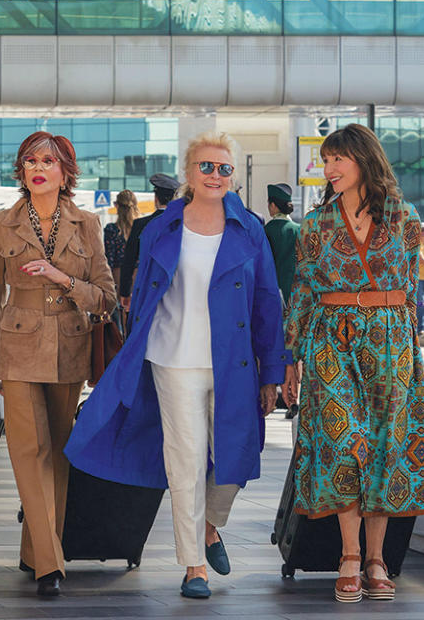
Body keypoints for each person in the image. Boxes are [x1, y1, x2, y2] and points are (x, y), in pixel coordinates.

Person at [65, 132, 290, 600]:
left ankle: (210, 525)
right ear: (189, 173)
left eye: (224, 168)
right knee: (184, 463)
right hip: (173, 359)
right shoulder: (162, 228)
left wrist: (274, 372)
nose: (215, 175)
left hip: (235, 362)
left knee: (237, 458)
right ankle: (193, 566)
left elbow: (269, 302)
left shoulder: (248, 229)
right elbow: (142, 295)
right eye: (206, 167)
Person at [282, 123, 424, 603]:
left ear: (362, 160)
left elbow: (411, 299)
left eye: (337, 160)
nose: (328, 169)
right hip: (332, 337)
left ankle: (376, 558)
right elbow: (303, 291)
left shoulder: (405, 221)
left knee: (384, 445)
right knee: (341, 442)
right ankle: (349, 554)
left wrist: (420, 365)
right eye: (326, 160)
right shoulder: (314, 226)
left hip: (391, 340)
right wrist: (291, 358)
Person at [0, 131, 116, 597]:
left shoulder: (88, 224)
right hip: (16, 351)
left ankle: (34, 549)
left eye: (48, 162)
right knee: (27, 452)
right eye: (30, 161)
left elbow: (106, 300)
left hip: (70, 349)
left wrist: (62, 278)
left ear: (65, 173)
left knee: (57, 454)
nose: (38, 168)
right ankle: (50, 565)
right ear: (21, 171)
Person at [119, 173, 180, 310]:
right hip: (176, 290)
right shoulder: (181, 225)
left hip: (146, 288)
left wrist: (125, 292)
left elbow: (128, 262)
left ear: (156, 199)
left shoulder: (140, 225)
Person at [263, 183, 299, 306]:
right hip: (296, 292)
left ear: (272, 205)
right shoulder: (299, 229)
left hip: (272, 291)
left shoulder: (266, 230)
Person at [103, 189, 139, 286]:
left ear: (117, 206)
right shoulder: (143, 229)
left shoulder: (112, 230)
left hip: (117, 278)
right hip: (138, 280)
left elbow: (108, 260)